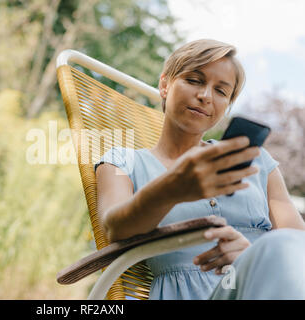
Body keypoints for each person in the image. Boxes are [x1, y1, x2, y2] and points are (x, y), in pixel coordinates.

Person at [94, 39, 305, 300]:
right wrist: (172, 188)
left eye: (221, 91)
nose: (205, 96)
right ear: (164, 85)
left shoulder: (257, 159)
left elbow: (297, 244)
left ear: (227, 105)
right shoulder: (121, 162)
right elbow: (115, 227)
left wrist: (251, 260)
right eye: (194, 80)